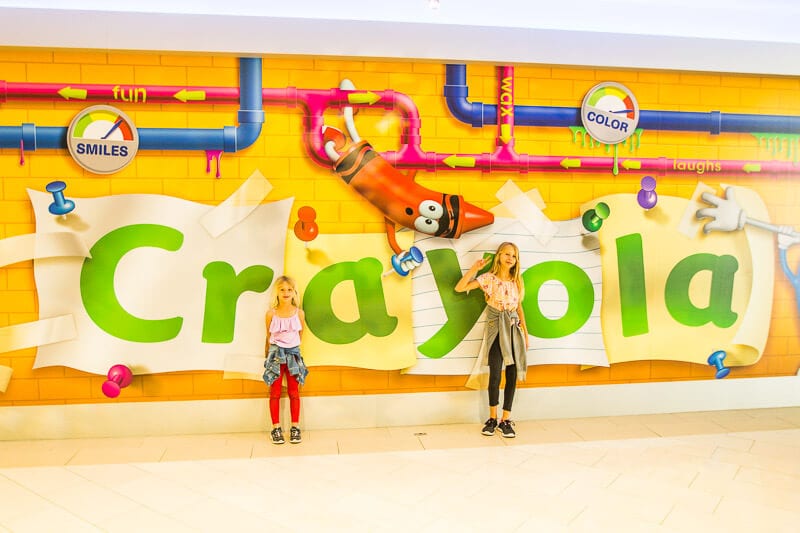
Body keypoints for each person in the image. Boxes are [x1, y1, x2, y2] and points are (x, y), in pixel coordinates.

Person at [455, 242, 529, 438]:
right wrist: (474, 268)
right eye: (506, 254)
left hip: (513, 329)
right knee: (495, 373)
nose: (510, 258)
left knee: (512, 374)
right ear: (499, 256)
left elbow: (519, 308)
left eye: (513, 256)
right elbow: (460, 287)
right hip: (496, 329)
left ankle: (506, 419)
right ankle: (492, 418)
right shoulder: (488, 279)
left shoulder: (517, 281)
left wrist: (526, 334)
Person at [263, 275, 309, 444]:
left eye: (289, 290)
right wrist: (267, 356)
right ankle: (275, 428)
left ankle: (295, 427)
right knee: (274, 392)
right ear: (276, 293)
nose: (286, 293)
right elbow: (268, 336)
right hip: (275, 356)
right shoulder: (271, 314)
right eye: (282, 290)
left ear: (294, 293)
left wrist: (293, 353)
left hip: (293, 355)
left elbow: (300, 335)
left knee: (293, 392)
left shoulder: (299, 314)